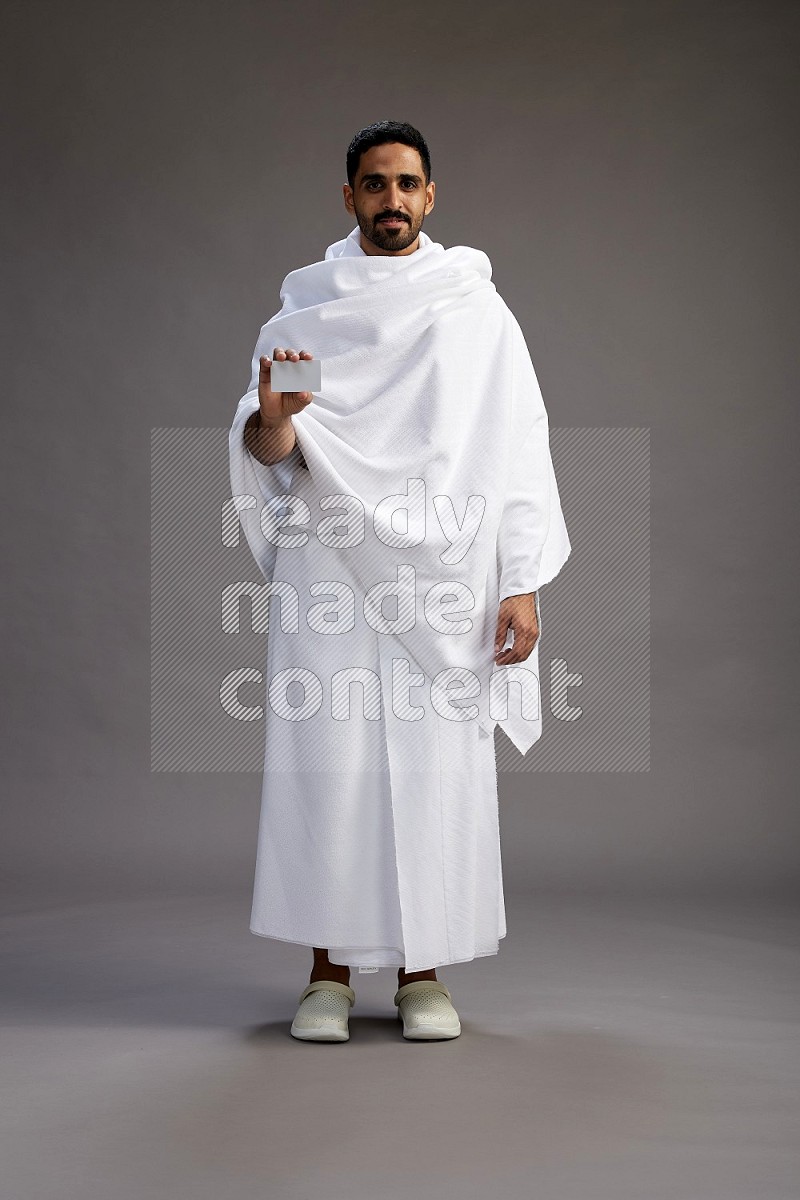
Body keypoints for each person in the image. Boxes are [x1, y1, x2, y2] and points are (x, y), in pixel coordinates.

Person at [228, 120, 571, 1042]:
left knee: (434, 769)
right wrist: (273, 420)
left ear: (431, 196)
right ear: (349, 198)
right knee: (327, 765)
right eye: (373, 185)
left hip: (445, 573)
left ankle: (424, 975)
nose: (391, 200)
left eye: (406, 184)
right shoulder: (302, 315)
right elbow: (269, 456)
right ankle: (326, 978)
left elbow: (520, 448)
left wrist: (523, 579)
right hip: (331, 563)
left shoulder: (475, 310)